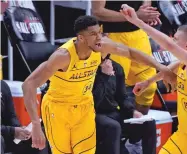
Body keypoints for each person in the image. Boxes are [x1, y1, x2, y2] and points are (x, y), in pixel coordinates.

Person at [22, 15, 175, 154]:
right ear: (81, 38)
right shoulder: (63, 57)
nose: (99, 38)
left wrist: (162, 68)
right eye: (93, 34)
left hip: (85, 107)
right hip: (58, 108)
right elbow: (28, 84)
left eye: (99, 32)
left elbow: (130, 52)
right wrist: (36, 124)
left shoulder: (101, 47)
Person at [121, 4, 187, 154]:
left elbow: (169, 45)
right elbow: (172, 66)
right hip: (184, 137)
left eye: (176, 39)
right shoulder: (184, 64)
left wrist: (138, 22)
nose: (173, 41)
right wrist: (148, 81)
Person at [92, 1, 162, 114]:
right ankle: (119, 128)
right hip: (112, 35)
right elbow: (98, 12)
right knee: (114, 90)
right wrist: (135, 16)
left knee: (148, 87)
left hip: (138, 33)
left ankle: (140, 124)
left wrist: (146, 12)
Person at [93, 53, 156, 154]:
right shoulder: (88, 70)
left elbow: (122, 97)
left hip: (113, 112)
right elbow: (94, 101)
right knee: (114, 127)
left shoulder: (116, 67)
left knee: (148, 123)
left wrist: (132, 111)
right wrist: (105, 76)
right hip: (94, 114)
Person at [1, 80, 48, 154]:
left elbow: (11, 116)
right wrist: (13, 131)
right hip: (3, 135)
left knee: (38, 134)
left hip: (7, 134)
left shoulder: (2, 85)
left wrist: (20, 129)